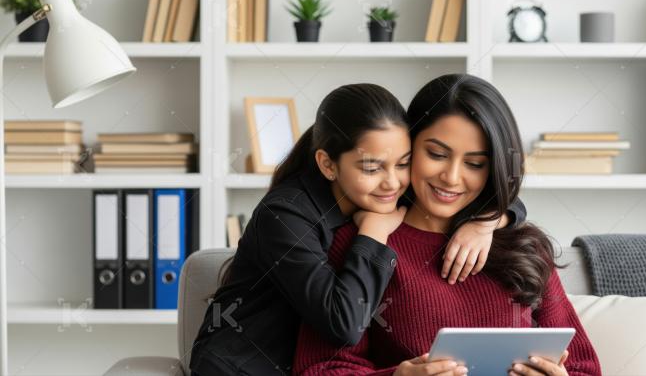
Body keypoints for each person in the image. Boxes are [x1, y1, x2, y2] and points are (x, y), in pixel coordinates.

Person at [189, 83, 528, 375]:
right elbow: (344, 324)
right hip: (242, 365)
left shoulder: (383, 190)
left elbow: (496, 196)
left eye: (404, 162)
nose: (393, 181)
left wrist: (487, 222)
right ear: (327, 164)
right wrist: (373, 235)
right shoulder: (285, 215)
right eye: (372, 166)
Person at [292, 74, 602, 376]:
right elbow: (320, 369)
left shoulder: (523, 246)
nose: (451, 178)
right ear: (408, 143)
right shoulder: (359, 244)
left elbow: (583, 368)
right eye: (437, 154)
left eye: (474, 164)